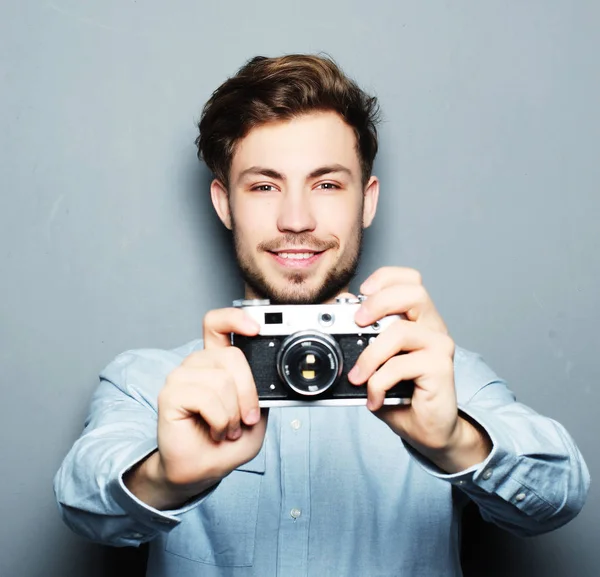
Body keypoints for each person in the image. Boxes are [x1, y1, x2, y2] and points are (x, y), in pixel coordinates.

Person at [54, 54, 590, 577]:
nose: (296, 219)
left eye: (327, 184)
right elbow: (81, 501)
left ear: (367, 201)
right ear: (224, 204)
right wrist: (166, 479)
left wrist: (454, 442)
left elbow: (560, 494)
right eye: (264, 186)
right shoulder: (149, 383)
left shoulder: (431, 375)